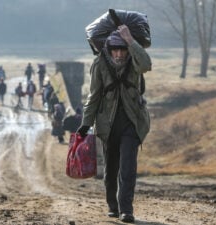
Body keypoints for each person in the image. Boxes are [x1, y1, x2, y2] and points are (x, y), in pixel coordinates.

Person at [77, 25, 152, 223]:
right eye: (115, 50)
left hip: (132, 122)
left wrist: (130, 41)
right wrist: (85, 123)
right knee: (111, 169)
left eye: (122, 49)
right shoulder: (100, 64)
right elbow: (94, 96)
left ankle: (126, 209)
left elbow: (146, 65)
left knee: (128, 168)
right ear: (109, 50)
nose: (119, 54)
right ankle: (113, 205)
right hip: (107, 125)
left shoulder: (135, 59)